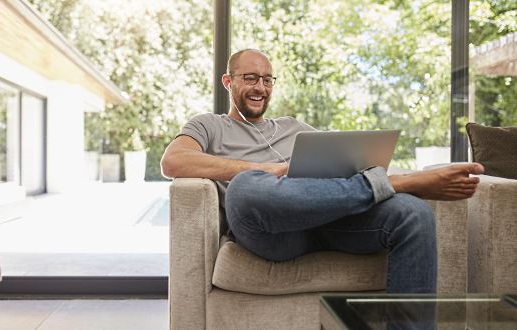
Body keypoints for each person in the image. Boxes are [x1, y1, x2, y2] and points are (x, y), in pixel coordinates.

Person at [160, 49, 484, 293]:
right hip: (271, 229)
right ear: (228, 82)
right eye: (250, 78)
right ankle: (397, 183)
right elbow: (173, 162)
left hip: (328, 219)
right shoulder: (208, 124)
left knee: (414, 214)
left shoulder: (295, 127)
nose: (260, 87)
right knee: (246, 187)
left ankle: (395, 187)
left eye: (267, 79)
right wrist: (267, 169)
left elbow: (340, 165)